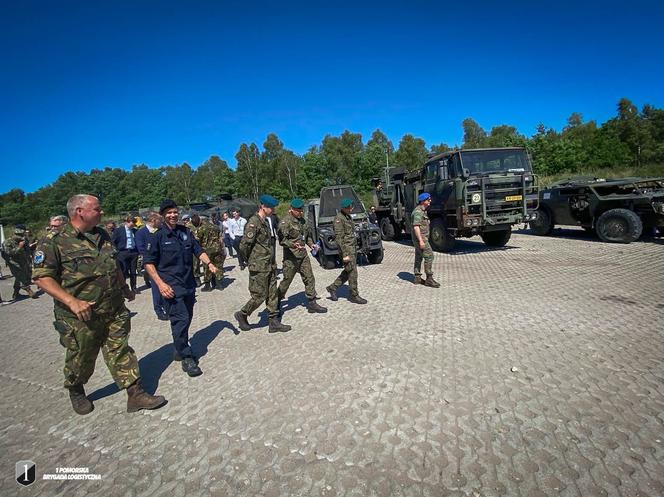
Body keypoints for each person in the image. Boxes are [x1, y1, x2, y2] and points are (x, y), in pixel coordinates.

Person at [32, 194, 166, 415]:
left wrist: (124, 287)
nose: (102, 212)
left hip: (113, 307)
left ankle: (135, 394)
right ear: (79, 212)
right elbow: (42, 277)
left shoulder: (103, 235)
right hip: (79, 315)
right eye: (97, 209)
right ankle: (75, 388)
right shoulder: (54, 241)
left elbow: (113, 264)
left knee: (120, 349)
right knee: (81, 356)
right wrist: (71, 301)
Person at [143, 199, 218, 377]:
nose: (173, 215)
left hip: (188, 284)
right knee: (180, 319)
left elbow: (198, 250)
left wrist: (209, 263)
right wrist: (160, 284)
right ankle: (186, 357)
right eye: (169, 212)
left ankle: (179, 346)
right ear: (163, 215)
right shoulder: (157, 236)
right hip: (170, 286)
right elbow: (148, 263)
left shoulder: (185, 232)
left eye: (175, 211)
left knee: (188, 316)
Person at [234, 195, 291, 333]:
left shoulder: (264, 221)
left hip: (269, 264)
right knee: (259, 295)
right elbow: (244, 246)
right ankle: (242, 314)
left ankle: (273, 322)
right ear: (262, 206)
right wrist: (252, 260)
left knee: (272, 293)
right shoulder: (253, 222)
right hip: (258, 266)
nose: (273, 210)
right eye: (270, 207)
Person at [277, 198, 327, 313]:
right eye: (298, 210)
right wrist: (293, 245)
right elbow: (282, 240)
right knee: (286, 282)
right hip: (291, 258)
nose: (301, 212)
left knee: (309, 278)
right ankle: (275, 304)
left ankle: (312, 303)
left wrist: (312, 245)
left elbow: (307, 237)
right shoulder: (285, 222)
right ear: (291, 209)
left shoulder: (303, 221)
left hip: (303, 256)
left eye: (301, 210)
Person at [326, 198, 368, 304]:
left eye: (351, 206)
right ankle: (354, 295)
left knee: (348, 271)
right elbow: (339, 239)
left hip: (352, 248)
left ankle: (332, 288)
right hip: (346, 250)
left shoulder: (347, 216)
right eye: (349, 207)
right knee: (353, 272)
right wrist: (345, 254)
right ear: (344, 208)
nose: (351, 209)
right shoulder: (338, 219)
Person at [135, 211, 167, 320]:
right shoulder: (141, 233)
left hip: (163, 263)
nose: (161, 222)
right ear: (153, 221)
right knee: (156, 287)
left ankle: (166, 305)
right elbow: (141, 248)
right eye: (159, 221)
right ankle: (158, 310)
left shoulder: (161, 230)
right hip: (151, 263)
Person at [411, 192, 441, 287]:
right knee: (429, 256)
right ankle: (429, 278)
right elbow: (416, 227)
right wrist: (421, 241)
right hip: (421, 238)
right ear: (423, 201)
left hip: (421, 238)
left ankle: (417, 277)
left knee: (419, 256)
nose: (430, 201)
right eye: (428, 200)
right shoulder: (418, 212)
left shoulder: (423, 211)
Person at [190, 214, 225, 291]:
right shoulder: (215, 226)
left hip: (207, 251)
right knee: (218, 266)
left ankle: (207, 286)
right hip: (217, 249)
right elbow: (220, 237)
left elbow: (197, 240)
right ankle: (219, 284)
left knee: (207, 267)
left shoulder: (201, 229)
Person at [2, 226, 37, 299]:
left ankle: (16, 293)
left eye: (22, 235)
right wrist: (19, 247)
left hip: (24, 261)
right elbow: (9, 253)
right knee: (21, 276)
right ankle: (28, 290)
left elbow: (27, 251)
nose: (22, 237)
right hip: (14, 263)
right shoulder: (7, 242)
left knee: (21, 276)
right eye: (19, 235)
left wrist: (30, 258)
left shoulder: (25, 240)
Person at [111, 215, 139, 293]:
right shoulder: (119, 231)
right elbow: (112, 241)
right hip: (122, 253)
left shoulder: (135, 231)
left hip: (133, 252)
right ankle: (124, 288)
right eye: (132, 222)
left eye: (134, 223)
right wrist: (116, 251)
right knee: (123, 271)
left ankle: (134, 287)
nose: (133, 224)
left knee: (133, 271)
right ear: (127, 222)